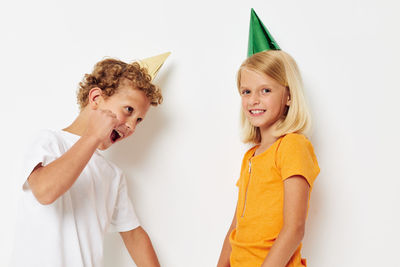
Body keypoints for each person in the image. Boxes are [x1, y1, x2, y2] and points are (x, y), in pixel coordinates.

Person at [12, 52, 170, 267]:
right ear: (96, 98)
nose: (132, 126)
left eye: (138, 120)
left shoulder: (112, 175)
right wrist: (93, 136)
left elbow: (134, 235)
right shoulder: (50, 141)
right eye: (128, 110)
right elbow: (44, 191)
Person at [217, 9, 320, 267]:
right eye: (246, 91)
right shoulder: (251, 156)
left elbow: (294, 228)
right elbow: (236, 226)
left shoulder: (293, 146)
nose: (253, 100)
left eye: (265, 90)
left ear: (288, 96)